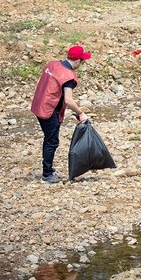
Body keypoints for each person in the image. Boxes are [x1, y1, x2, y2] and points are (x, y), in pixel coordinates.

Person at [30, 46, 91, 184]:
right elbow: (68, 100)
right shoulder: (68, 76)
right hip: (49, 110)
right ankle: (47, 174)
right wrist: (81, 114)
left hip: (38, 104)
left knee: (49, 138)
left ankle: (48, 170)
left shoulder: (52, 64)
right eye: (82, 61)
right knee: (52, 141)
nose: (81, 65)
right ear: (77, 61)